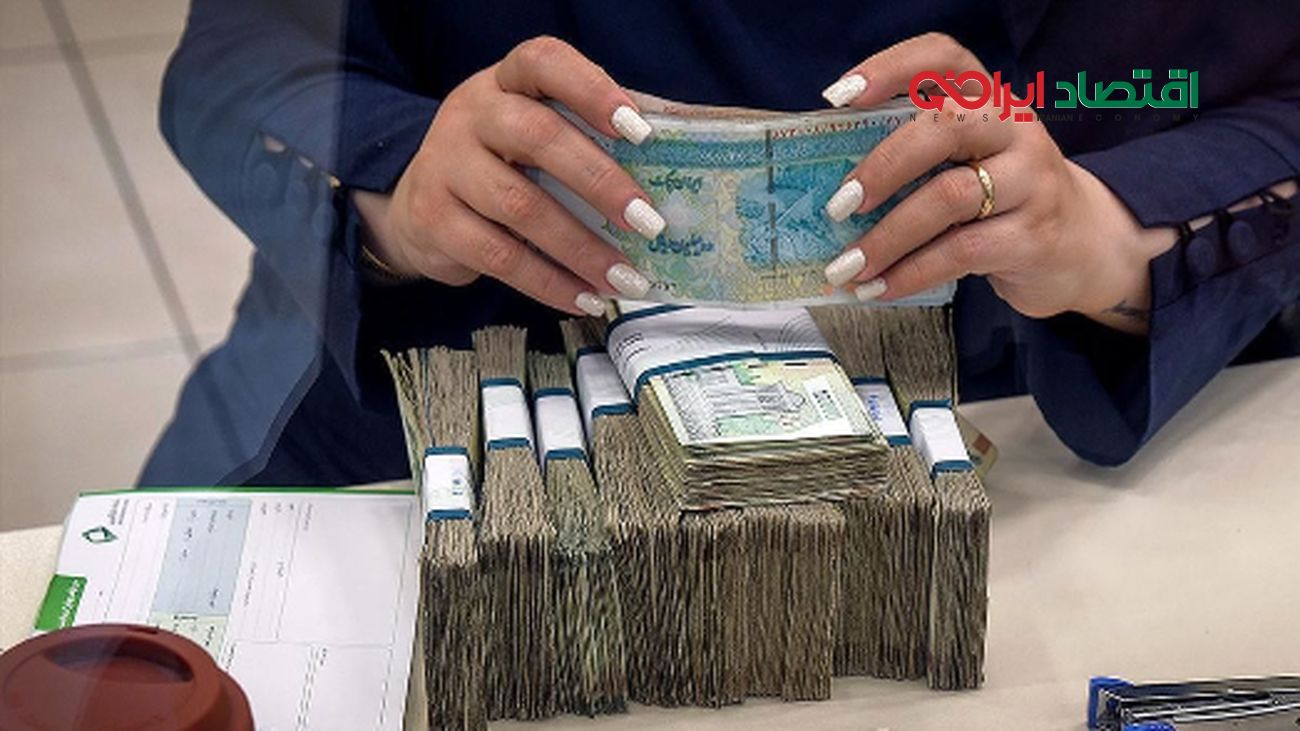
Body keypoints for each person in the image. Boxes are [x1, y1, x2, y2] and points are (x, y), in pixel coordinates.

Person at [140, 0, 1300, 486]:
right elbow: (238, 59)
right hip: (438, 419)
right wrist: (407, 188)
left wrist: (1113, 229)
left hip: (1007, 438)